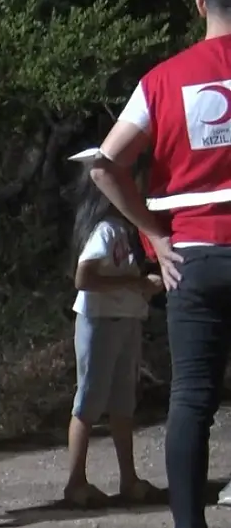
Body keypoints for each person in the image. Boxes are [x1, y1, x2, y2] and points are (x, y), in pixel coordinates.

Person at [87, 0, 231, 528]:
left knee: (192, 399)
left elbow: (104, 164)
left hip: (192, 257)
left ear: (200, 4)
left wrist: (152, 234)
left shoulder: (163, 79)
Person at [64, 169, 163, 508]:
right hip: (99, 321)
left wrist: (143, 286)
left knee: (123, 401)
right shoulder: (105, 231)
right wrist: (135, 285)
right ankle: (76, 481)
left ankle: (128, 478)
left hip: (126, 320)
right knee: (88, 401)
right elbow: (84, 277)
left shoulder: (123, 229)